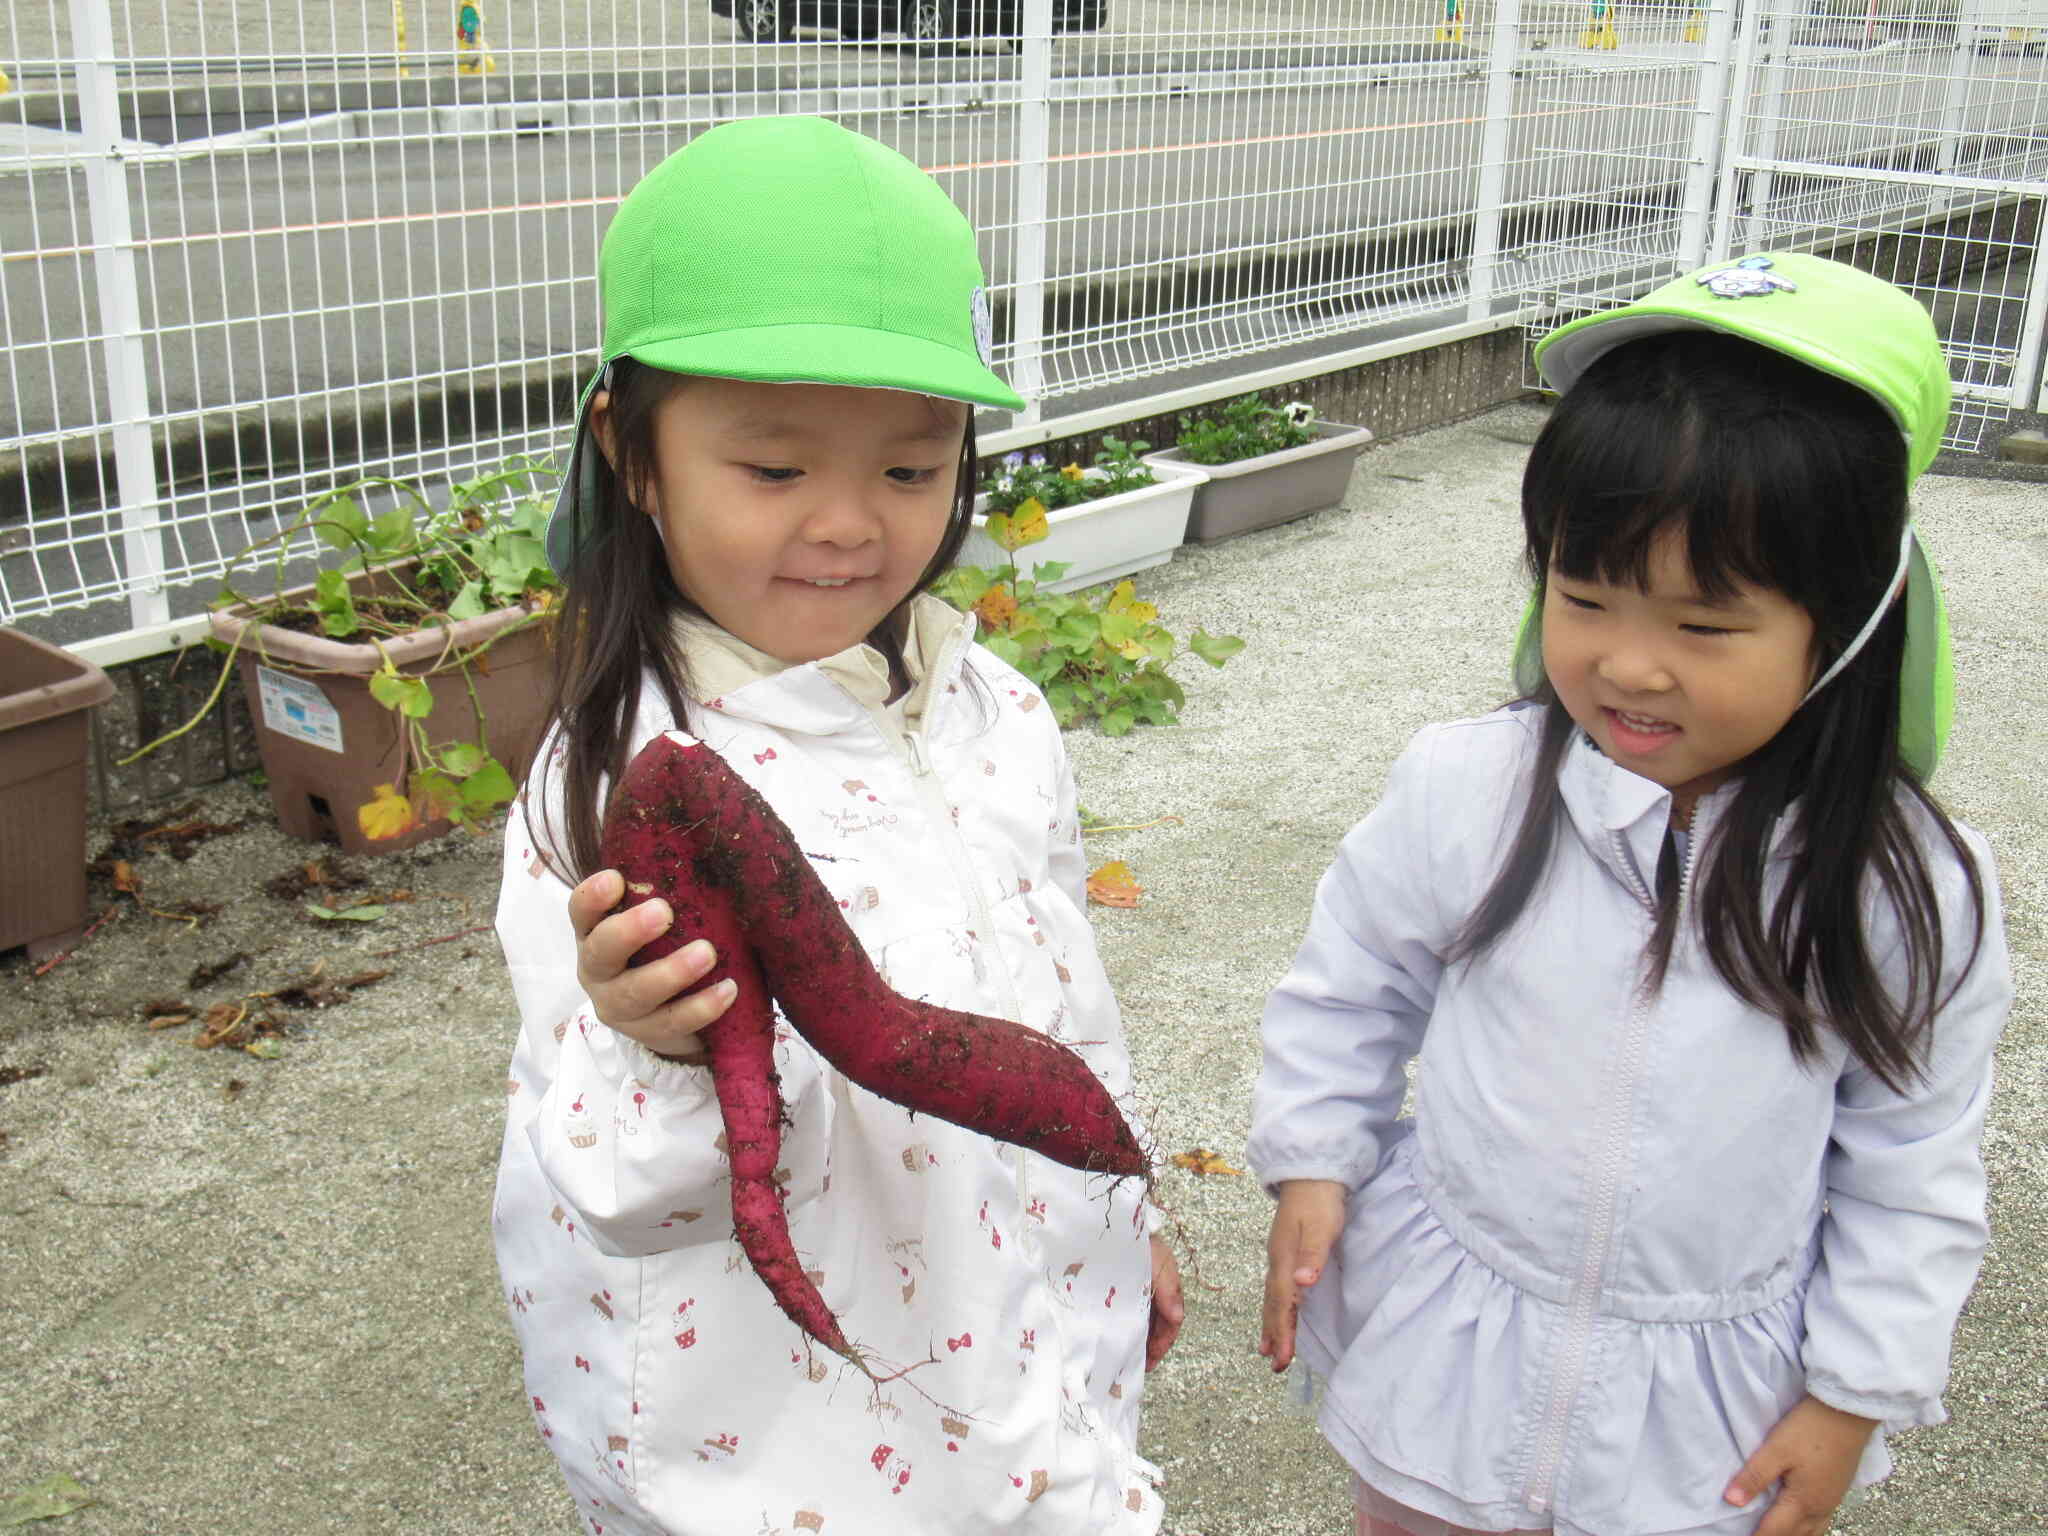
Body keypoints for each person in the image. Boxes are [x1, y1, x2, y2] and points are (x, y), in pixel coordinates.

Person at [1249, 253, 2012, 1536]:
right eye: (1580, 595)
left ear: (1851, 623)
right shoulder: (1471, 788)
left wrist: (1848, 1396)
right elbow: (1351, 986)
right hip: (1455, 1348)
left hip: (1701, 1421)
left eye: (1704, 628)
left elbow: (1912, 1164)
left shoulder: (1903, 887)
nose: (1626, 665)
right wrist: (1313, 1164)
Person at [491, 115, 1180, 1536]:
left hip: (1020, 1312)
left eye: (911, 470)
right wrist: (658, 1046)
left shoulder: (994, 708)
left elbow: (1059, 997)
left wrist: (1120, 1204)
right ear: (631, 453)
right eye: (775, 470)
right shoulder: (612, 793)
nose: (851, 525)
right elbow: (615, 1188)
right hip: (783, 1418)